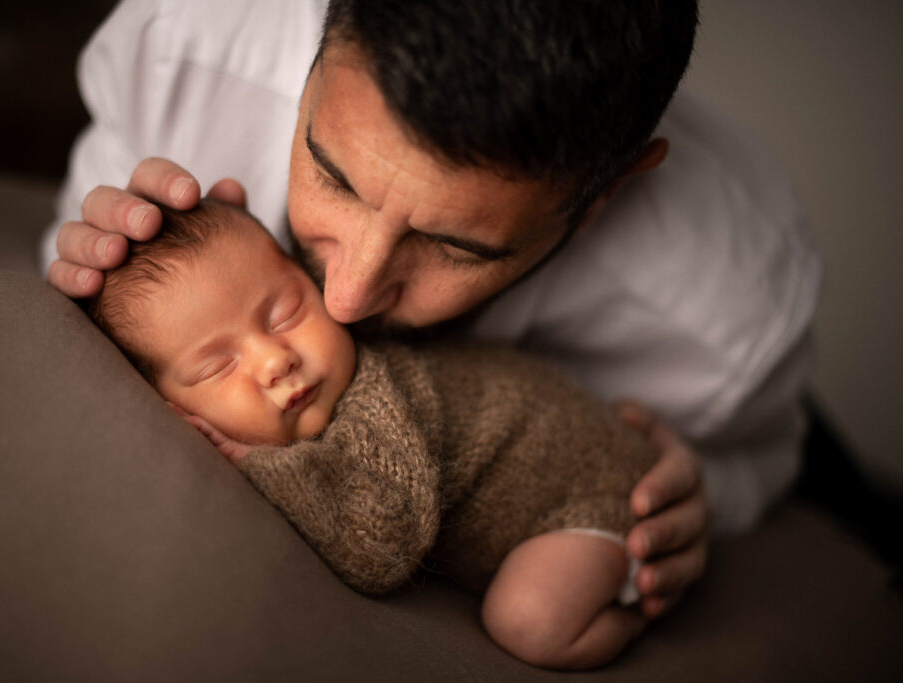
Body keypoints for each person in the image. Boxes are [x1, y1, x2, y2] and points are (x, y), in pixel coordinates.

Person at [44, 0, 823, 619]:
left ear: (608, 193)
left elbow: (765, 457)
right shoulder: (185, 45)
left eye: (457, 247)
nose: (345, 294)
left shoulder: (726, 317)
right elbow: (73, 233)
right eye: (332, 175)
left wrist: (701, 491)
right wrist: (95, 255)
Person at [88, 197, 659, 669]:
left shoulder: (372, 402)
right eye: (217, 367)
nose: (274, 360)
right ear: (168, 405)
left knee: (528, 621)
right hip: (572, 445)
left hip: (584, 489)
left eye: (286, 313)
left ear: (314, 282)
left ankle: (641, 608)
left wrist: (258, 463)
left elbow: (382, 548)